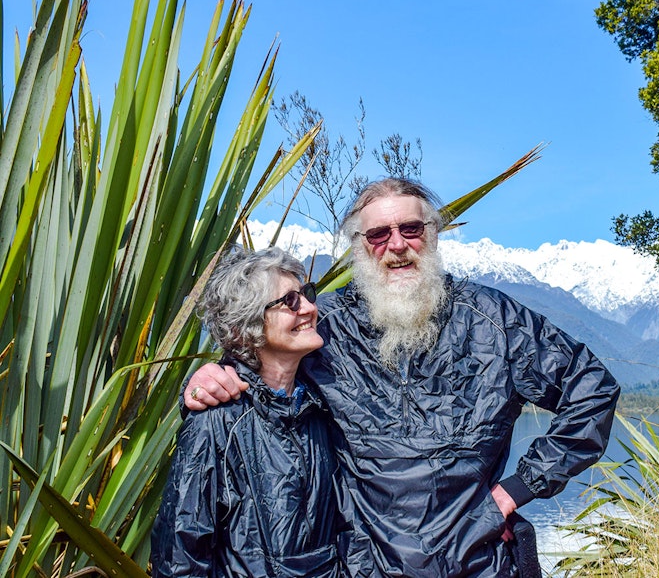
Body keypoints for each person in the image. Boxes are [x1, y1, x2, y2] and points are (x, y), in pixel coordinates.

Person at [184, 178, 620, 577]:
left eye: (411, 229)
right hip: (363, 565)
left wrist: (514, 490)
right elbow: (255, 369)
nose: (397, 245)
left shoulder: (493, 321)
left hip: (479, 559)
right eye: (379, 234)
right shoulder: (322, 326)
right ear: (360, 244)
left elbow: (592, 390)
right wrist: (207, 380)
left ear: (431, 234)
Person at [152, 247, 347, 578]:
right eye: (290, 301)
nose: (311, 308)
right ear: (246, 327)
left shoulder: (323, 405)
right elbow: (182, 552)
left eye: (306, 294)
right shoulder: (216, 420)